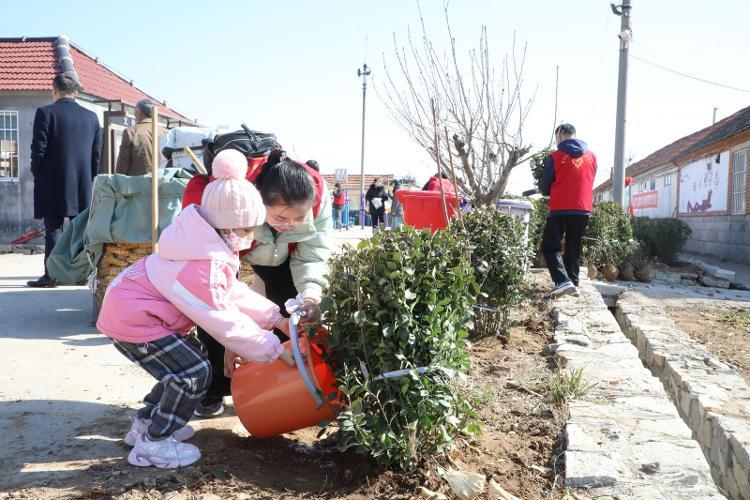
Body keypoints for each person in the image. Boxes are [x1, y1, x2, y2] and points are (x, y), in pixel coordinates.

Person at [97, 150, 295, 468]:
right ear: (226, 226)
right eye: (246, 230)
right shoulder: (204, 261)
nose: (249, 237)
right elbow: (221, 318)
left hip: (137, 309)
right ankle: (155, 443)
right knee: (192, 373)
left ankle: (147, 425)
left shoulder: (203, 243)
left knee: (183, 367)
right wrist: (272, 348)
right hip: (136, 318)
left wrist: (275, 318)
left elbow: (231, 292)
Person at [181, 148, 332, 416]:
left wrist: (310, 296)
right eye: (280, 218)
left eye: (299, 218)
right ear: (258, 205)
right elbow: (220, 291)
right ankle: (215, 387)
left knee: (288, 319)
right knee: (217, 320)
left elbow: (313, 255)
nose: (290, 224)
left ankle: (273, 387)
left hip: (286, 256)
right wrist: (235, 341)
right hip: (226, 255)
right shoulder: (229, 204)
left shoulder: (318, 198)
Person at [27, 73, 102, 288]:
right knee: (80, 230)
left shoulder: (45, 113)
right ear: (76, 92)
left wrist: (37, 173)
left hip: (52, 182)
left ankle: (51, 276)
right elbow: (96, 154)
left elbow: (38, 150)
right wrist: (90, 178)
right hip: (82, 183)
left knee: (53, 228)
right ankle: (80, 275)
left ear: (54, 90)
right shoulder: (91, 117)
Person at [539, 123, 597, 298]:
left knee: (549, 246)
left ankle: (562, 282)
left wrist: (548, 189)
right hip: (583, 208)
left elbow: (544, 186)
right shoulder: (592, 156)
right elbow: (588, 179)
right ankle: (573, 283)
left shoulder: (556, 156)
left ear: (559, 136)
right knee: (573, 246)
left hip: (561, 207)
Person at [115, 99, 166, 176]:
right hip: (162, 183)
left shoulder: (131, 132)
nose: (134, 114)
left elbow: (122, 163)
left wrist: (117, 182)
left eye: (135, 111)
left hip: (137, 184)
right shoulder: (166, 133)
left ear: (140, 112)